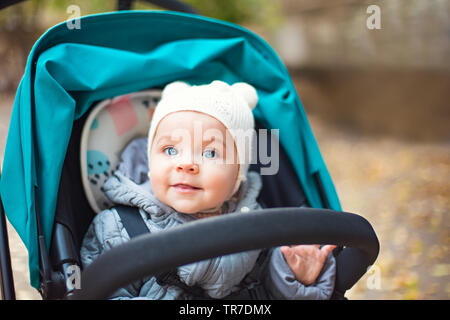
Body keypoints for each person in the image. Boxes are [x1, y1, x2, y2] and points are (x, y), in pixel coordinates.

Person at [80, 80, 337, 300]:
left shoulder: (258, 226)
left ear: (238, 173)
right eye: (170, 150)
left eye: (210, 152)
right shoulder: (117, 229)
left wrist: (292, 275)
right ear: (150, 159)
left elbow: (266, 292)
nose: (186, 164)